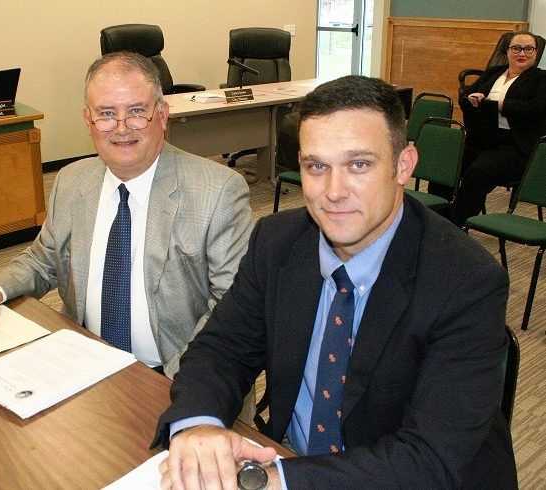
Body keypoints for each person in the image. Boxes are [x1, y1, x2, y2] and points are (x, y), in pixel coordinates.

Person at [153, 76, 517, 489]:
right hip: (292, 456)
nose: (333, 192)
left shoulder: (466, 281)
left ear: (403, 165)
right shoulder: (277, 241)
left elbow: (428, 459)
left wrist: (274, 481)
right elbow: (223, 348)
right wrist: (199, 424)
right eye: (316, 166)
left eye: (358, 164)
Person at [0, 51, 253, 380]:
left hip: (174, 374)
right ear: (88, 121)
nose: (121, 128)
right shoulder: (71, 181)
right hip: (83, 364)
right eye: (106, 114)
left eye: (137, 111)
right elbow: (43, 259)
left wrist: (167, 385)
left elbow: (231, 306)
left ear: (162, 115)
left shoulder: (218, 191)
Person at [454, 30, 546, 225]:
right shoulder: (494, 72)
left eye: (528, 49)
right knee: (448, 162)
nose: (522, 53)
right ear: (508, 51)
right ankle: (436, 214)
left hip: (515, 146)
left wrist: (500, 104)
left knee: (477, 172)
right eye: (517, 48)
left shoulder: (541, 79)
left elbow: (536, 109)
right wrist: (471, 99)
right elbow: (465, 95)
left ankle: (456, 223)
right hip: (482, 139)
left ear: (536, 53)